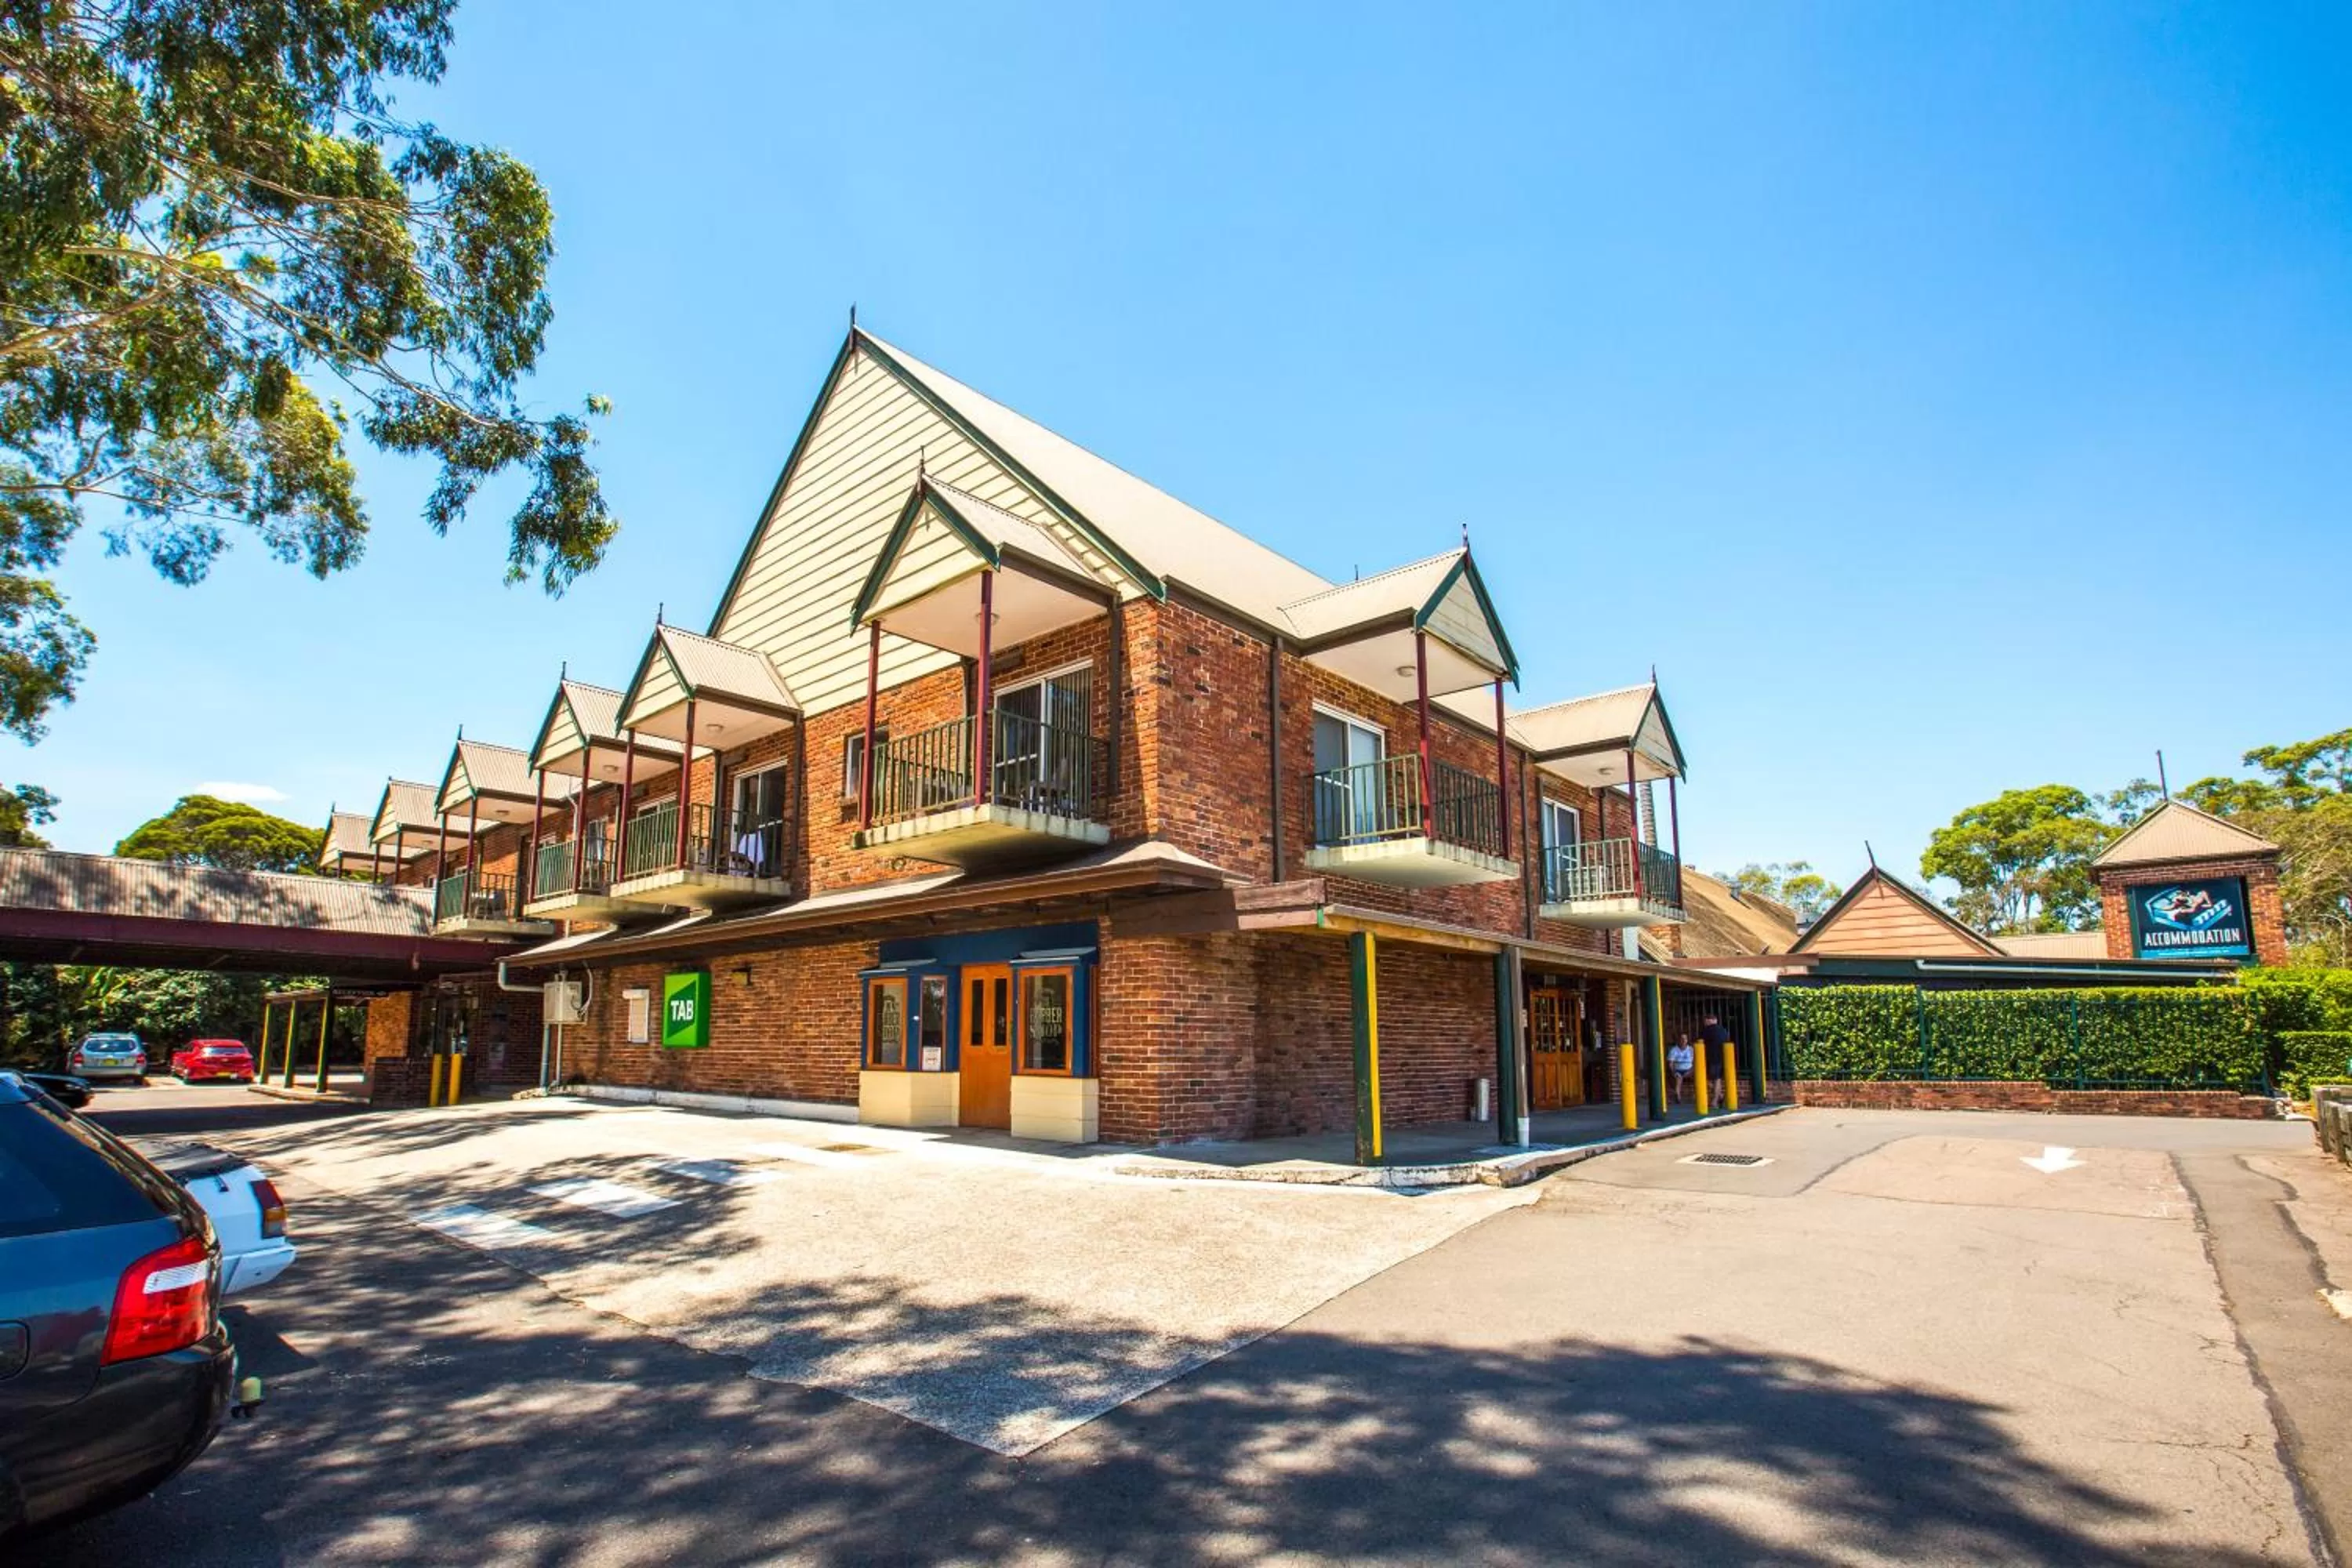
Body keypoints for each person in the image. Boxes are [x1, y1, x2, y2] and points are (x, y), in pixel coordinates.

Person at [1700, 1014, 1733, 1083]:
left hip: (1711, 1056)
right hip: (1723, 1056)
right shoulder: (1723, 1030)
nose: (1704, 1023)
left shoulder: (1707, 1030)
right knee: (1717, 1077)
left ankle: (1716, 1093)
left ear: (1708, 1021)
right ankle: (1718, 1094)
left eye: (1705, 1021)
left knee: (1711, 1077)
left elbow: (1700, 1042)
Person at [1667, 1032, 1696, 1105]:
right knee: (1678, 1078)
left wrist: (1691, 1070)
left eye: (1685, 1039)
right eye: (1682, 1039)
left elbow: (1696, 1062)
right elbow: (1671, 1064)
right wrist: (1674, 1072)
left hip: (1690, 1070)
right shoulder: (1674, 1050)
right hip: (1678, 1070)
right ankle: (1678, 1097)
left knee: (1699, 1077)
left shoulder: (1691, 1049)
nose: (1683, 1040)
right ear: (1679, 1040)